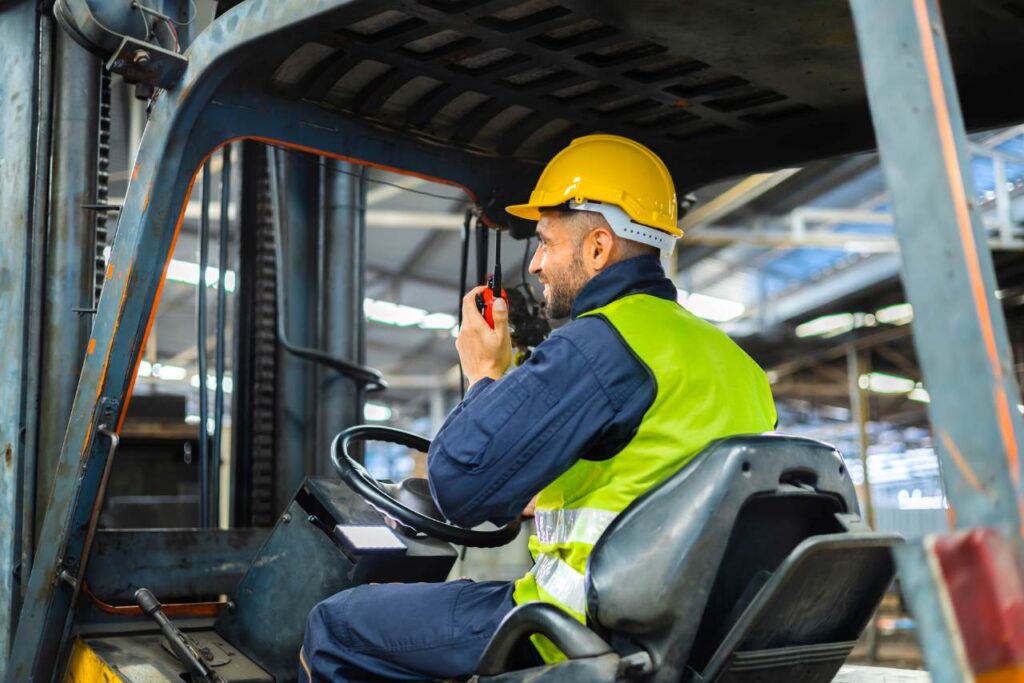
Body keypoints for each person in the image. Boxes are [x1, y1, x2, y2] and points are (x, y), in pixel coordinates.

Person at [299, 134, 777, 681]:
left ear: (598, 248)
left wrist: (485, 372)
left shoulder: (600, 344)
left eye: (546, 242)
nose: (535, 264)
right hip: (691, 635)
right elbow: (655, 471)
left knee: (336, 627)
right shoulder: (735, 363)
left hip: (575, 628)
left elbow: (458, 483)